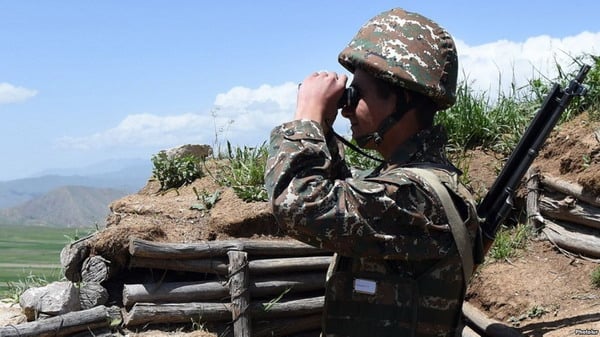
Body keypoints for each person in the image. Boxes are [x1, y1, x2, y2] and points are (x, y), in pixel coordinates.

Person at [265, 7, 482, 337]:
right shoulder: (407, 181)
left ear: (402, 98)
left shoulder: (420, 196)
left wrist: (306, 118)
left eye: (357, 94)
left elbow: (298, 205)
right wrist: (322, 129)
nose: (347, 107)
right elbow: (344, 198)